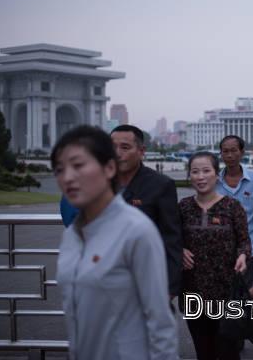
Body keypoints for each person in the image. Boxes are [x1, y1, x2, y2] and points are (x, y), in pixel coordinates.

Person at [53, 125, 178, 360]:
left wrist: (172, 287)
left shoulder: (137, 230)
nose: (69, 177)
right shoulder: (72, 235)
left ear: (107, 168)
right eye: (60, 169)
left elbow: (160, 322)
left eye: (79, 166)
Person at [179, 151, 250, 360]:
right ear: (189, 176)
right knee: (204, 351)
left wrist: (243, 256)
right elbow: (171, 239)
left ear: (216, 175)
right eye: (195, 172)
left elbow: (244, 241)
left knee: (228, 350)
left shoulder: (232, 206)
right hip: (193, 290)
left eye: (206, 171)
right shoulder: (183, 207)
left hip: (226, 291)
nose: (201, 177)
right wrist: (179, 249)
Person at [110, 124, 183, 299]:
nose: (117, 153)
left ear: (141, 151)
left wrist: (170, 289)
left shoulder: (160, 185)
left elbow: (171, 238)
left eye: (125, 147)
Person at [217, 135, 253, 288]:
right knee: (222, 290)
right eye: (225, 151)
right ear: (220, 154)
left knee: (243, 290)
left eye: (234, 150)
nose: (229, 155)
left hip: (249, 245)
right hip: (221, 246)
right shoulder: (214, 181)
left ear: (242, 152)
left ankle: (243, 312)